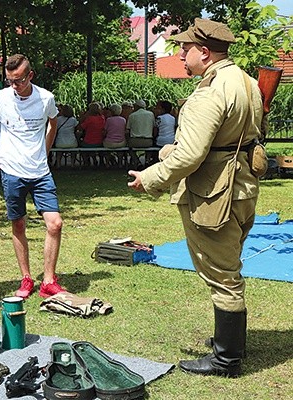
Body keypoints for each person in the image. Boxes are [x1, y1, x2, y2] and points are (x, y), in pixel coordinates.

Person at [128, 18, 263, 378]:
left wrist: (150, 178)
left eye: (185, 49)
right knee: (228, 267)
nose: (181, 55)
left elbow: (191, 156)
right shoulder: (247, 82)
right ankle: (231, 345)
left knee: (223, 275)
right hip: (242, 188)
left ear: (204, 53)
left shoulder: (211, 91)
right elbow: (236, 136)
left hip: (215, 194)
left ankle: (226, 359)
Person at [0, 54, 66, 299]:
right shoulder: (2, 98)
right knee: (18, 223)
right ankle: (26, 278)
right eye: (9, 81)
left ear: (30, 76)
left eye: (18, 80)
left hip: (40, 171)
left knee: (55, 223)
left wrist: (46, 149)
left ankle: (48, 280)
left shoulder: (45, 98)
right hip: (11, 170)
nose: (14, 86)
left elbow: (53, 122)